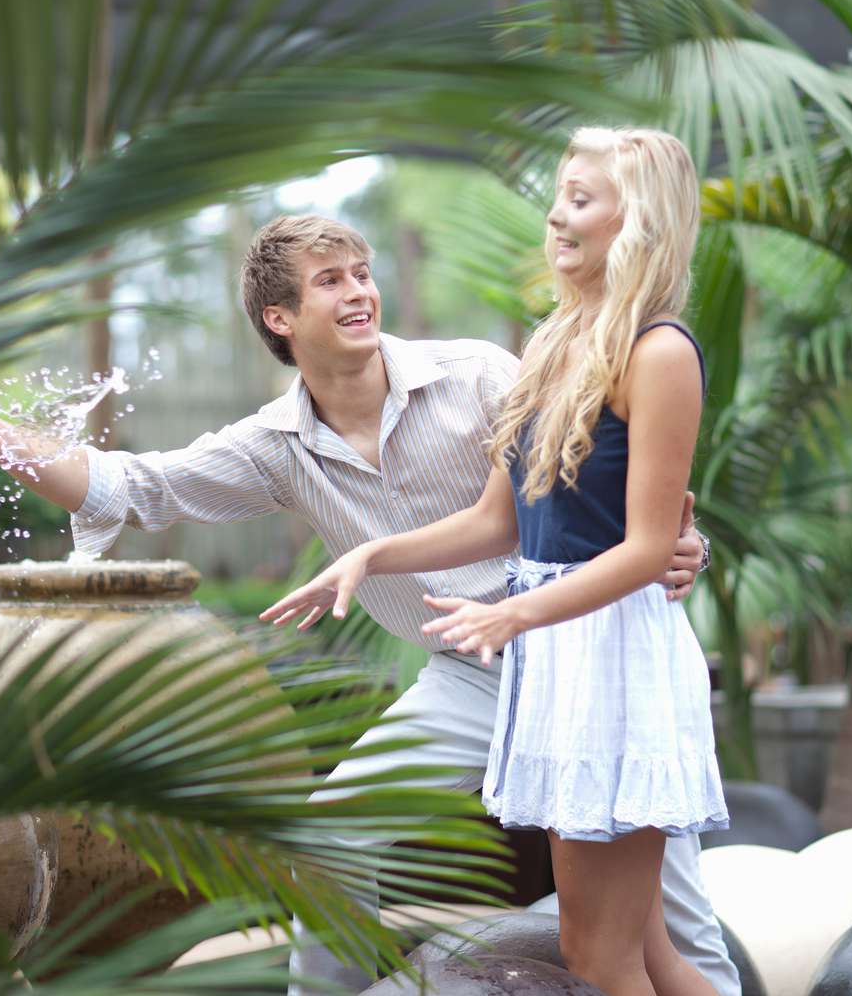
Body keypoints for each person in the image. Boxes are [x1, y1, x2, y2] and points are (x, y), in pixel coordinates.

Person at [0, 212, 738, 996]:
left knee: (676, 920)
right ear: (280, 318)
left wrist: (681, 539)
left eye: (362, 274)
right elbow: (131, 485)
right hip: (471, 678)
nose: (359, 292)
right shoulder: (274, 446)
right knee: (328, 840)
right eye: (331, 281)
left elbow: (621, 476)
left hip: (583, 663)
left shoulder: (480, 374)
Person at [262, 128, 728, 996]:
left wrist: (514, 614)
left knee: (604, 956)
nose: (557, 214)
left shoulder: (659, 353)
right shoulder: (559, 342)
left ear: (640, 223)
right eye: (561, 193)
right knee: (646, 952)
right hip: (559, 662)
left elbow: (649, 547)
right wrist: (370, 553)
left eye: (582, 199)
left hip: (611, 659)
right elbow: (496, 518)